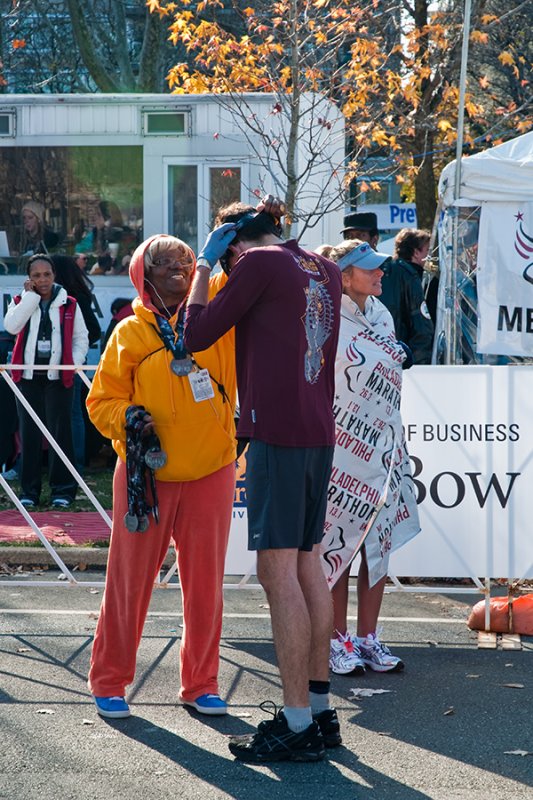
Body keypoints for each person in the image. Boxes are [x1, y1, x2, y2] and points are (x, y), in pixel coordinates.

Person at [185, 204, 342, 764]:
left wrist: (206, 268)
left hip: (276, 428)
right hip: (317, 427)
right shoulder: (323, 266)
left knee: (277, 572)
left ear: (233, 242)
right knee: (307, 563)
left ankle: (296, 721)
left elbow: (197, 333)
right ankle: (320, 713)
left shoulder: (252, 263)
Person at [85, 233, 237, 721]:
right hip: (144, 478)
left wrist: (248, 224)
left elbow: (241, 270)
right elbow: (100, 402)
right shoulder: (129, 333)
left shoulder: (215, 318)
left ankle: (201, 683)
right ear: (142, 275)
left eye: (185, 260)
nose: (178, 266)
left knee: (206, 584)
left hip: (211, 468)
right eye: (165, 262)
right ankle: (109, 680)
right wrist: (128, 417)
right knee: (128, 582)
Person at [318, 240, 420, 676]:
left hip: (386, 442)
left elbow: (390, 364)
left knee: (377, 546)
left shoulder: (382, 313)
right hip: (342, 450)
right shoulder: (325, 316)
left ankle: (368, 637)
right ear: (345, 275)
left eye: (380, 267)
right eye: (371, 269)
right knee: (340, 544)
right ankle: (336, 640)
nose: (381, 274)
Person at [3, 254, 89, 508]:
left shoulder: (69, 303)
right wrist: (30, 298)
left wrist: (72, 364)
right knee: (29, 435)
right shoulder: (20, 300)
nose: (43, 280)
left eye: (47, 274)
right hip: (28, 377)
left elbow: (81, 338)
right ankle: (29, 491)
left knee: (60, 435)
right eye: (37, 275)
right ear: (29, 279)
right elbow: (12, 326)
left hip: (58, 377)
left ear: (54, 275)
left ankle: (62, 490)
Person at [51, 255, 102, 472]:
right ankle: (67, 463)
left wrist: (72, 350)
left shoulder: (75, 298)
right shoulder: (56, 296)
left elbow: (93, 330)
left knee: (72, 413)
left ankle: (75, 463)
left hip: (71, 363)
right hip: (57, 361)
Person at [379, 227, 434, 364]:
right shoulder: (414, 276)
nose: (430, 257)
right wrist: (416, 365)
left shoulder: (381, 272)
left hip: (383, 358)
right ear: (416, 252)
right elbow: (422, 329)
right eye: (427, 251)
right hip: (406, 361)